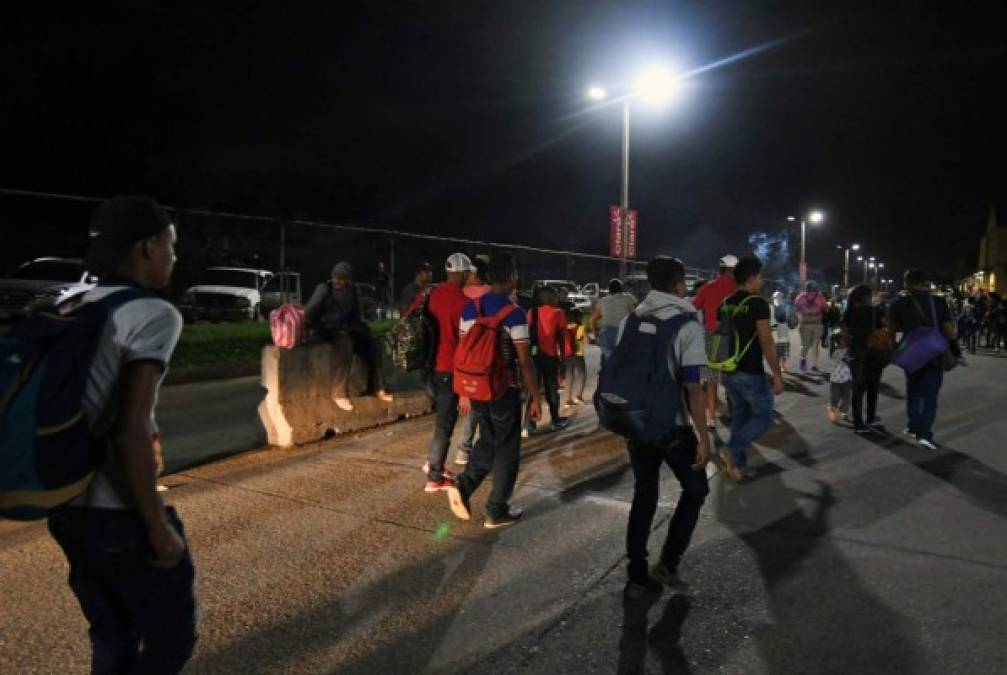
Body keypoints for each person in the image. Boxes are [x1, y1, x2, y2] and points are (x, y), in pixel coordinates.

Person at [47, 196, 197, 673]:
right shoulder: (152, 313)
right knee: (171, 639)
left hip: (63, 504)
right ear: (148, 247)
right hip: (117, 512)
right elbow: (130, 430)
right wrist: (156, 527)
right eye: (171, 245)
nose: (174, 256)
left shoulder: (68, 303)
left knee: (111, 635)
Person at [615, 257, 711, 598]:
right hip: (673, 425)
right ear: (680, 284)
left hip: (638, 420)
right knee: (697, 488)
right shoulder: (687, 322)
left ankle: (637, 577)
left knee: (645, 493)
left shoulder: (635, 316)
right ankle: (668, 563)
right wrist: (704, 434)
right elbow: (694, 386)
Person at [445, 253, 542, 528]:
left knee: (487, 439)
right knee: (507, 448)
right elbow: (524, 361)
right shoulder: (515, 314)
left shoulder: (470, 309)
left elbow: (463, 352)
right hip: (503, 390)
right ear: (511, 278)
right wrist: (535, 397)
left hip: (475, 388)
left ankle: (464, 485)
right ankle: (496, 509)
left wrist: (464, 391)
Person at [718, 256, 785, 482]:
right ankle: (732, 448)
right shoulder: (757, 304)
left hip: (728, 371)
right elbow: (766, 342)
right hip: (750, 373)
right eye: (760, 276)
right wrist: (777, 374)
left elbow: (720, 338)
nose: (762, 281)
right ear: (751, 278)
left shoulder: (725, 303)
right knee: (764, 417)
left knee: (740, 417)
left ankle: (738, 467)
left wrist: (720, 371)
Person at [304, 262, 393, 411]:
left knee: (373, 343)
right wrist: (309, 330)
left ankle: (377, 388)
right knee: (344, 344)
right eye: (336, 278)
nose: (338, 282)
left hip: (346, 329)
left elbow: (357, 315)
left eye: (342, 278)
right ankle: (338, 394)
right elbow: (309, 312)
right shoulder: (324, 289)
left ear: (348, 279)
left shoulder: (353, 290)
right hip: (326, 330)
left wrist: (361, 329)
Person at [419, 253, 474, 492]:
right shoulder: (464, 304)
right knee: (444, 424)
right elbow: (466, 348)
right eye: (467, 273)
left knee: (441, 420)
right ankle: (434, 475)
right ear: (461, 274)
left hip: (428, 367)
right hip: (448, 370)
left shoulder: (432, 294)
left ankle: (434, 462)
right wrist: (465, 389)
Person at [888, 269, 959, 449]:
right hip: (934, 353)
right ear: (924, 282)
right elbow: (949, 330)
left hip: (911, 353)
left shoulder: (899, 303)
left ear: (908, 283)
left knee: (913, 390)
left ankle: (913, 427)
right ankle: (924, 434)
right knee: (930, 395)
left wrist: (894, 348)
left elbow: (891, 330)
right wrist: (953, 346)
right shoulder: (938, 301)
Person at [692, 255, 738, 429]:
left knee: (710, 379)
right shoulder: (739, 289)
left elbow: (693, 308)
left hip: (711, 337)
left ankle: (711, 417)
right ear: (732, 270)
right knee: (731, 377)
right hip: (734, 338)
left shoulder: (707, 288)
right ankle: (734, 411)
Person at [455, 255, 492, 466]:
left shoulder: (463, 294)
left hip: (465, 358)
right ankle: (483, 450)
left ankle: (464, 449)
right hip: (486, 358)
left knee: (471, 404)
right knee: (486, 406)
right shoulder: (491, 294)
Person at [841, 284, 887, 432]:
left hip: (856, 351)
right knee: (873, 385)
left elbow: (844, 330)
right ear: (867, 296)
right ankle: (871, 417)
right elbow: (884, 325)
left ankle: (858, 422)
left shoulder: (849, 311)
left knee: (858, 388)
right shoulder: (875, 310)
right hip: (874, 351)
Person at [526, 287, 570, 433]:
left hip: (534, 357)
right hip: (550, 357)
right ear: (550, 298)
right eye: (556, 297)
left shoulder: (532, 312)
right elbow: (562, 339)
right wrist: (563, 359)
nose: (558, 299)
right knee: (552, 389)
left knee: (533, 389)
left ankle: (529, 424)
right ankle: (555, 420)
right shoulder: (558, 313)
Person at [588, 278, 637, 363]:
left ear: (609, 289)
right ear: (621, 288)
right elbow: (635, 316)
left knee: (608, 363)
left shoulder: (603, 301)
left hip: (606, 334)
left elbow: (592, 319)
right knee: (624, 362)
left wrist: (596, 335)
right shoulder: (628, 298)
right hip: (624, 332)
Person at [794, 281, 829, 372]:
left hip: (806, 324)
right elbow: (826, 309)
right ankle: (812, 363)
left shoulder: (800, 297)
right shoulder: (820, 297)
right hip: (816, 324)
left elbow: (796, 309)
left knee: (807, 345)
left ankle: (807, 361)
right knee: (813, 345)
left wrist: (800, 318)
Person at [564, 308, 588, 408]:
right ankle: (579, 396)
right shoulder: (581, 327)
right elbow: (585, 340)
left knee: (569, 376)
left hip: (567, 355)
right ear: (578, 317)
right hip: (578, 354)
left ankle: (568, 400)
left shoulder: (566, 327)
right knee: (582, 374)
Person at [827, 335, 853, 425]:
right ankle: (832, 411)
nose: (843, 342)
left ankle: (844, 412)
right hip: (835, 379)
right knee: (835, 396)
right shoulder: (834, 351)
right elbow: (834, 358)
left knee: (846, 397)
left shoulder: (850, 351)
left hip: (846, 379)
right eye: (841, 341)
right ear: (837, 342)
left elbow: (851, 360)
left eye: (845, 341)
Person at [771, 289, 791, 372]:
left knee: (781, 351)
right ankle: (781, 366)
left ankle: (782, 366)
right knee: (781, 351)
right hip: (781, 332)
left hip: (781, 332)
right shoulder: (779, 306)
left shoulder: (778, 306)